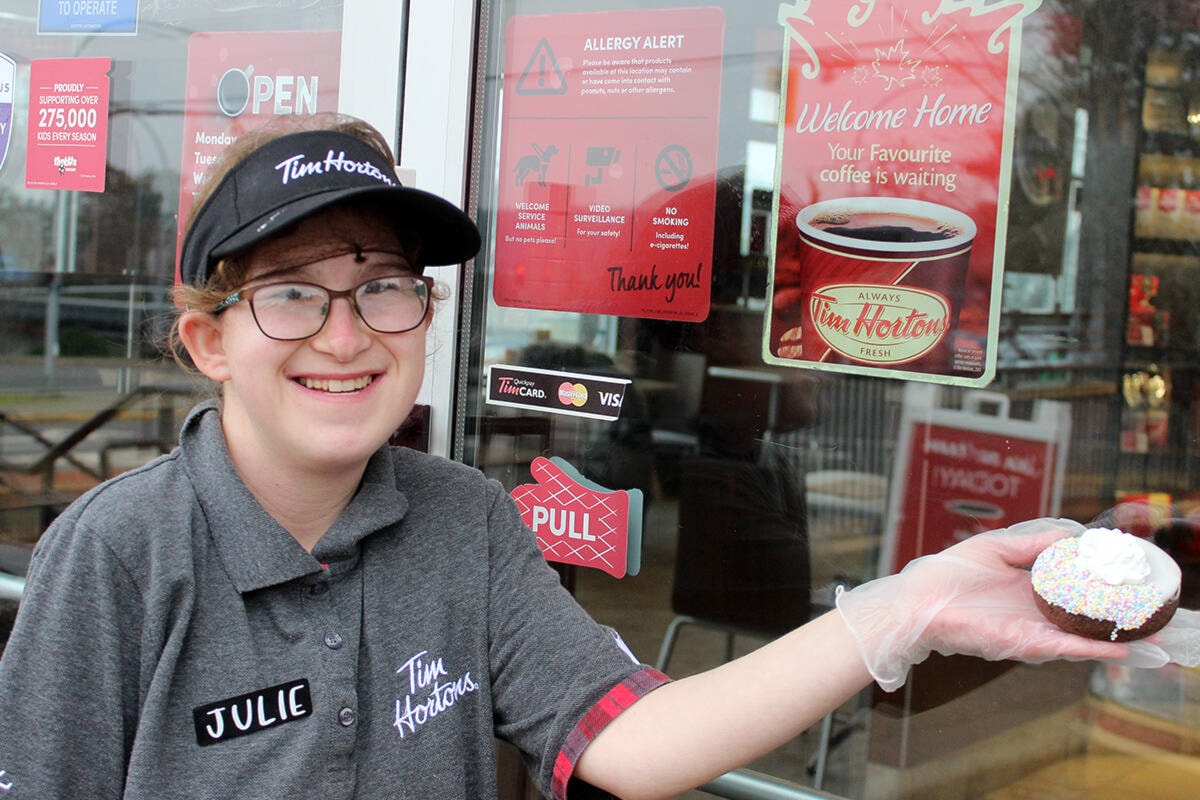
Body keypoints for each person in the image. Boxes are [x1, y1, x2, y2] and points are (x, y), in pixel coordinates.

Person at [0, 113, 1196, 800]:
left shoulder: (460, 519)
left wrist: (909, 607)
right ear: (208, 338)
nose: (348, 334)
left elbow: (629, 734)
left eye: (382, 288)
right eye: (294, 296)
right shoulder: (115, 555)